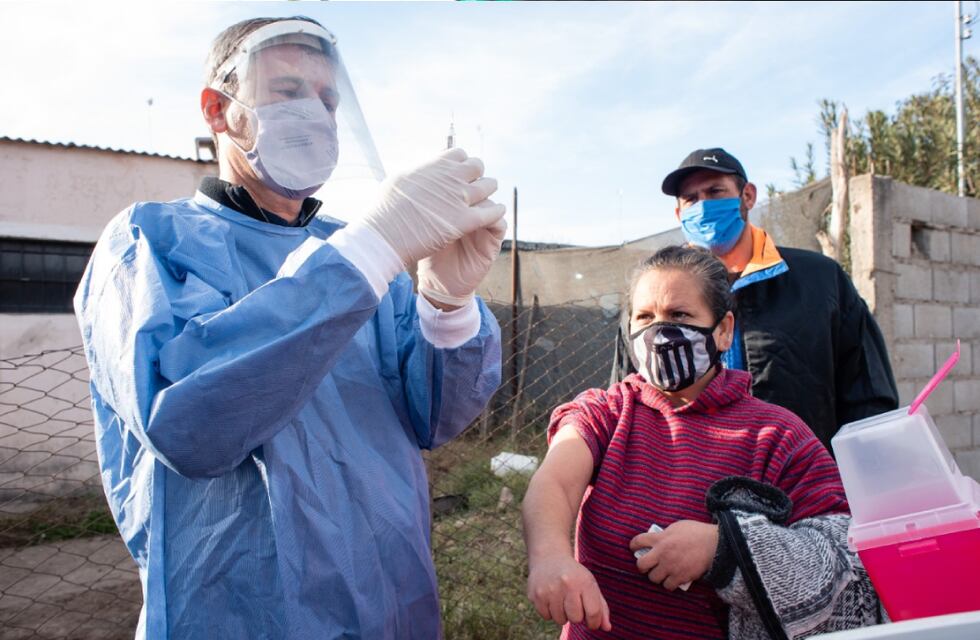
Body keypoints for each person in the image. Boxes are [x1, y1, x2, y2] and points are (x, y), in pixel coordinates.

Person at [74, 16, 505, 639]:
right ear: (219, 111)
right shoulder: (149, 242)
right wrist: (374, 249)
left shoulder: (358, 255)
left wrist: (448, 303)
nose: (316, 112)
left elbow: (434, 417)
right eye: (288, 91)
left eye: (329, 99)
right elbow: (187, 425)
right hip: (238, 609)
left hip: (391, 593)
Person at [524, 246, 880, 639]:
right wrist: (550, 556)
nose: (659, 333)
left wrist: (726, 549)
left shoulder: (778, 436)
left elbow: (846, 557)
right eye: (645, 317)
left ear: (724, 330)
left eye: (679, 315)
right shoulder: (607, 411)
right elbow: (555, 480)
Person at [612, 148, 898, 450]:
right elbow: (627, 398)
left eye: (715, 191)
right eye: (691, 199)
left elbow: (868, 391)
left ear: (747, 196)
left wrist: (857, 478)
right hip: (689, 482)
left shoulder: (820, 280)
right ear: (679, 214)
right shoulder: (650, 297)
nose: (703, 206)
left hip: (799, 481)